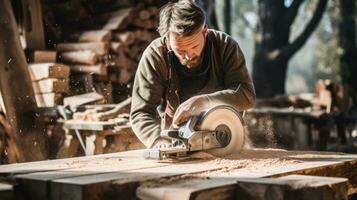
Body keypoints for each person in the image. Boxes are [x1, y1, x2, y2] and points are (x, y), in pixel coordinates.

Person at [130, 0, 256, 149]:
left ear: (205, 31)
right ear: (168, 41)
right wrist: (156, 140)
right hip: (177, 141)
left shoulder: (225, 46)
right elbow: (141, 112)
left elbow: (247, 95)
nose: (189, 56)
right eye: (181, 51)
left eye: (194, 46)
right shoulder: (156, 55)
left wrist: (205, 101)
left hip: (227, 138)